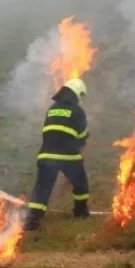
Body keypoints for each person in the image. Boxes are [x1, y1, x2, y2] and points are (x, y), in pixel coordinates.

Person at [24, 78, 90, 231]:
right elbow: (82, 136)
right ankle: (80, 213)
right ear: (77, 94)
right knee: (81, 184)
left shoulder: (52, 109)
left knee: (42, 188)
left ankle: (32, 221)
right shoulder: (77, 111)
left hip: (46, 155)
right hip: (68, 157)